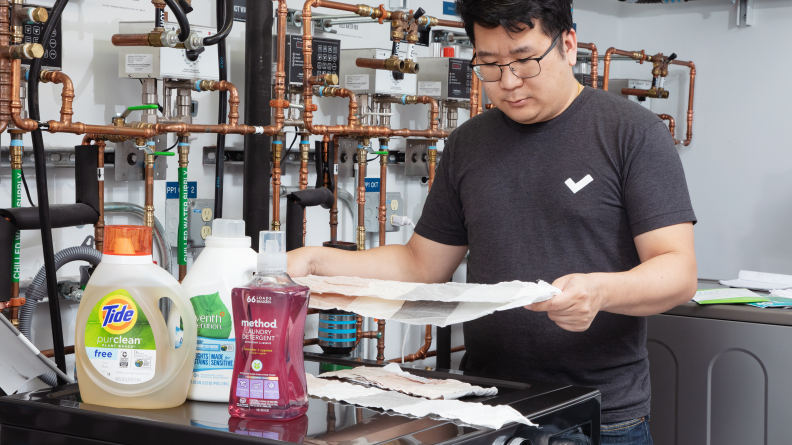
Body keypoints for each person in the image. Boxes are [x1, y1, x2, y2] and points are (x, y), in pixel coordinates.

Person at [288, 0, 697, 443]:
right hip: (488, 406)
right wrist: (316, 260)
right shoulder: (468, 143)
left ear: (569, 45)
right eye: (489, 64)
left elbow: (677, 272)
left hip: (598, 412)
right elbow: (421, 264)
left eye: (525, 60)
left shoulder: (631, 133)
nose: (508, 82)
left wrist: (599, 291)